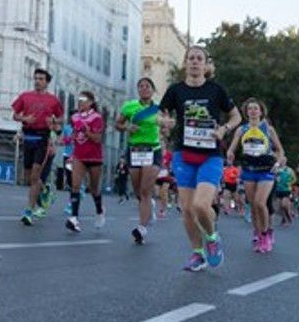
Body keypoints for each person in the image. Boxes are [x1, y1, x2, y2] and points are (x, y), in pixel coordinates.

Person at [158, 45, 241, 272]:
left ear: (206, 64)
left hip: (210, 154)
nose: (195, 62)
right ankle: (198, 253)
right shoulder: (175, 90)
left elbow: (236, 116)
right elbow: (160, 113)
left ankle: (213, 238)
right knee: (186, 209)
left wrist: (224, 128)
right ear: (185, 63)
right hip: (183, 153)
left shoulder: (216, 90)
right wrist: (163, 121)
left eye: (199, 58)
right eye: (191, 58)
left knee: (200, 205)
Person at [226, 98, 286, 253]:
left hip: (266, 170)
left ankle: (266, 235)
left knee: (260, 203)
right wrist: (230, 153)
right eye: (250, 109)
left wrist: (278, 163)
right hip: (249, 170)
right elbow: (232, 148)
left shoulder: (268, 129)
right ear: (246, 112)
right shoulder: (241, 129)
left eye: (256, 108)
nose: (252, 111)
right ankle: (258, 234)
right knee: (253, 205)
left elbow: (280, 150)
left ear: (261, 112)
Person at [11, 68, 64, 226]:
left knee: (35, 176)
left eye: (41, 79)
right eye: (35, 78)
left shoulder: (53, 100)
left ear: (47, 82)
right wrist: (25, 118)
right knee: (29, 178)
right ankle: (45, 191)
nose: (37, 81)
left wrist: (53, 123)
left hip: (43, 138)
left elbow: (60, 119)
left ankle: (28, 211)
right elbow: (14, 114)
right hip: (28, 138)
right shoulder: (25, 96)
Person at [116, 77, 162, 244]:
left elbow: (167, 123)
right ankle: (149, 205)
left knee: (144, 190)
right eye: (141, 86)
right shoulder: (129, 106)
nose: (144, 89)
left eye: (147, 86)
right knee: (137, 191)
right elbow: (117, 124)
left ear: (152, 89)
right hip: (134, 150)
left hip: (152, 149)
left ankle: (142, 229)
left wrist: (167, 124)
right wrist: (128, 127)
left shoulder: (158, 109)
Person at [65, 91, 106, 233]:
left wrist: (87, 132)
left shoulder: (97, 117)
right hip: (79, 156)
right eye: (79, 99)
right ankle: (74, 218)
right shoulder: (75, 117)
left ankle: (99, 210)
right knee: (75, 186)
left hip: (94, 157)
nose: (80, 102)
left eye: (83, 99)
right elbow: (73, 136)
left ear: (91, 102)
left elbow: (97, 139)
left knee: (93, 188)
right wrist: (64, 139)